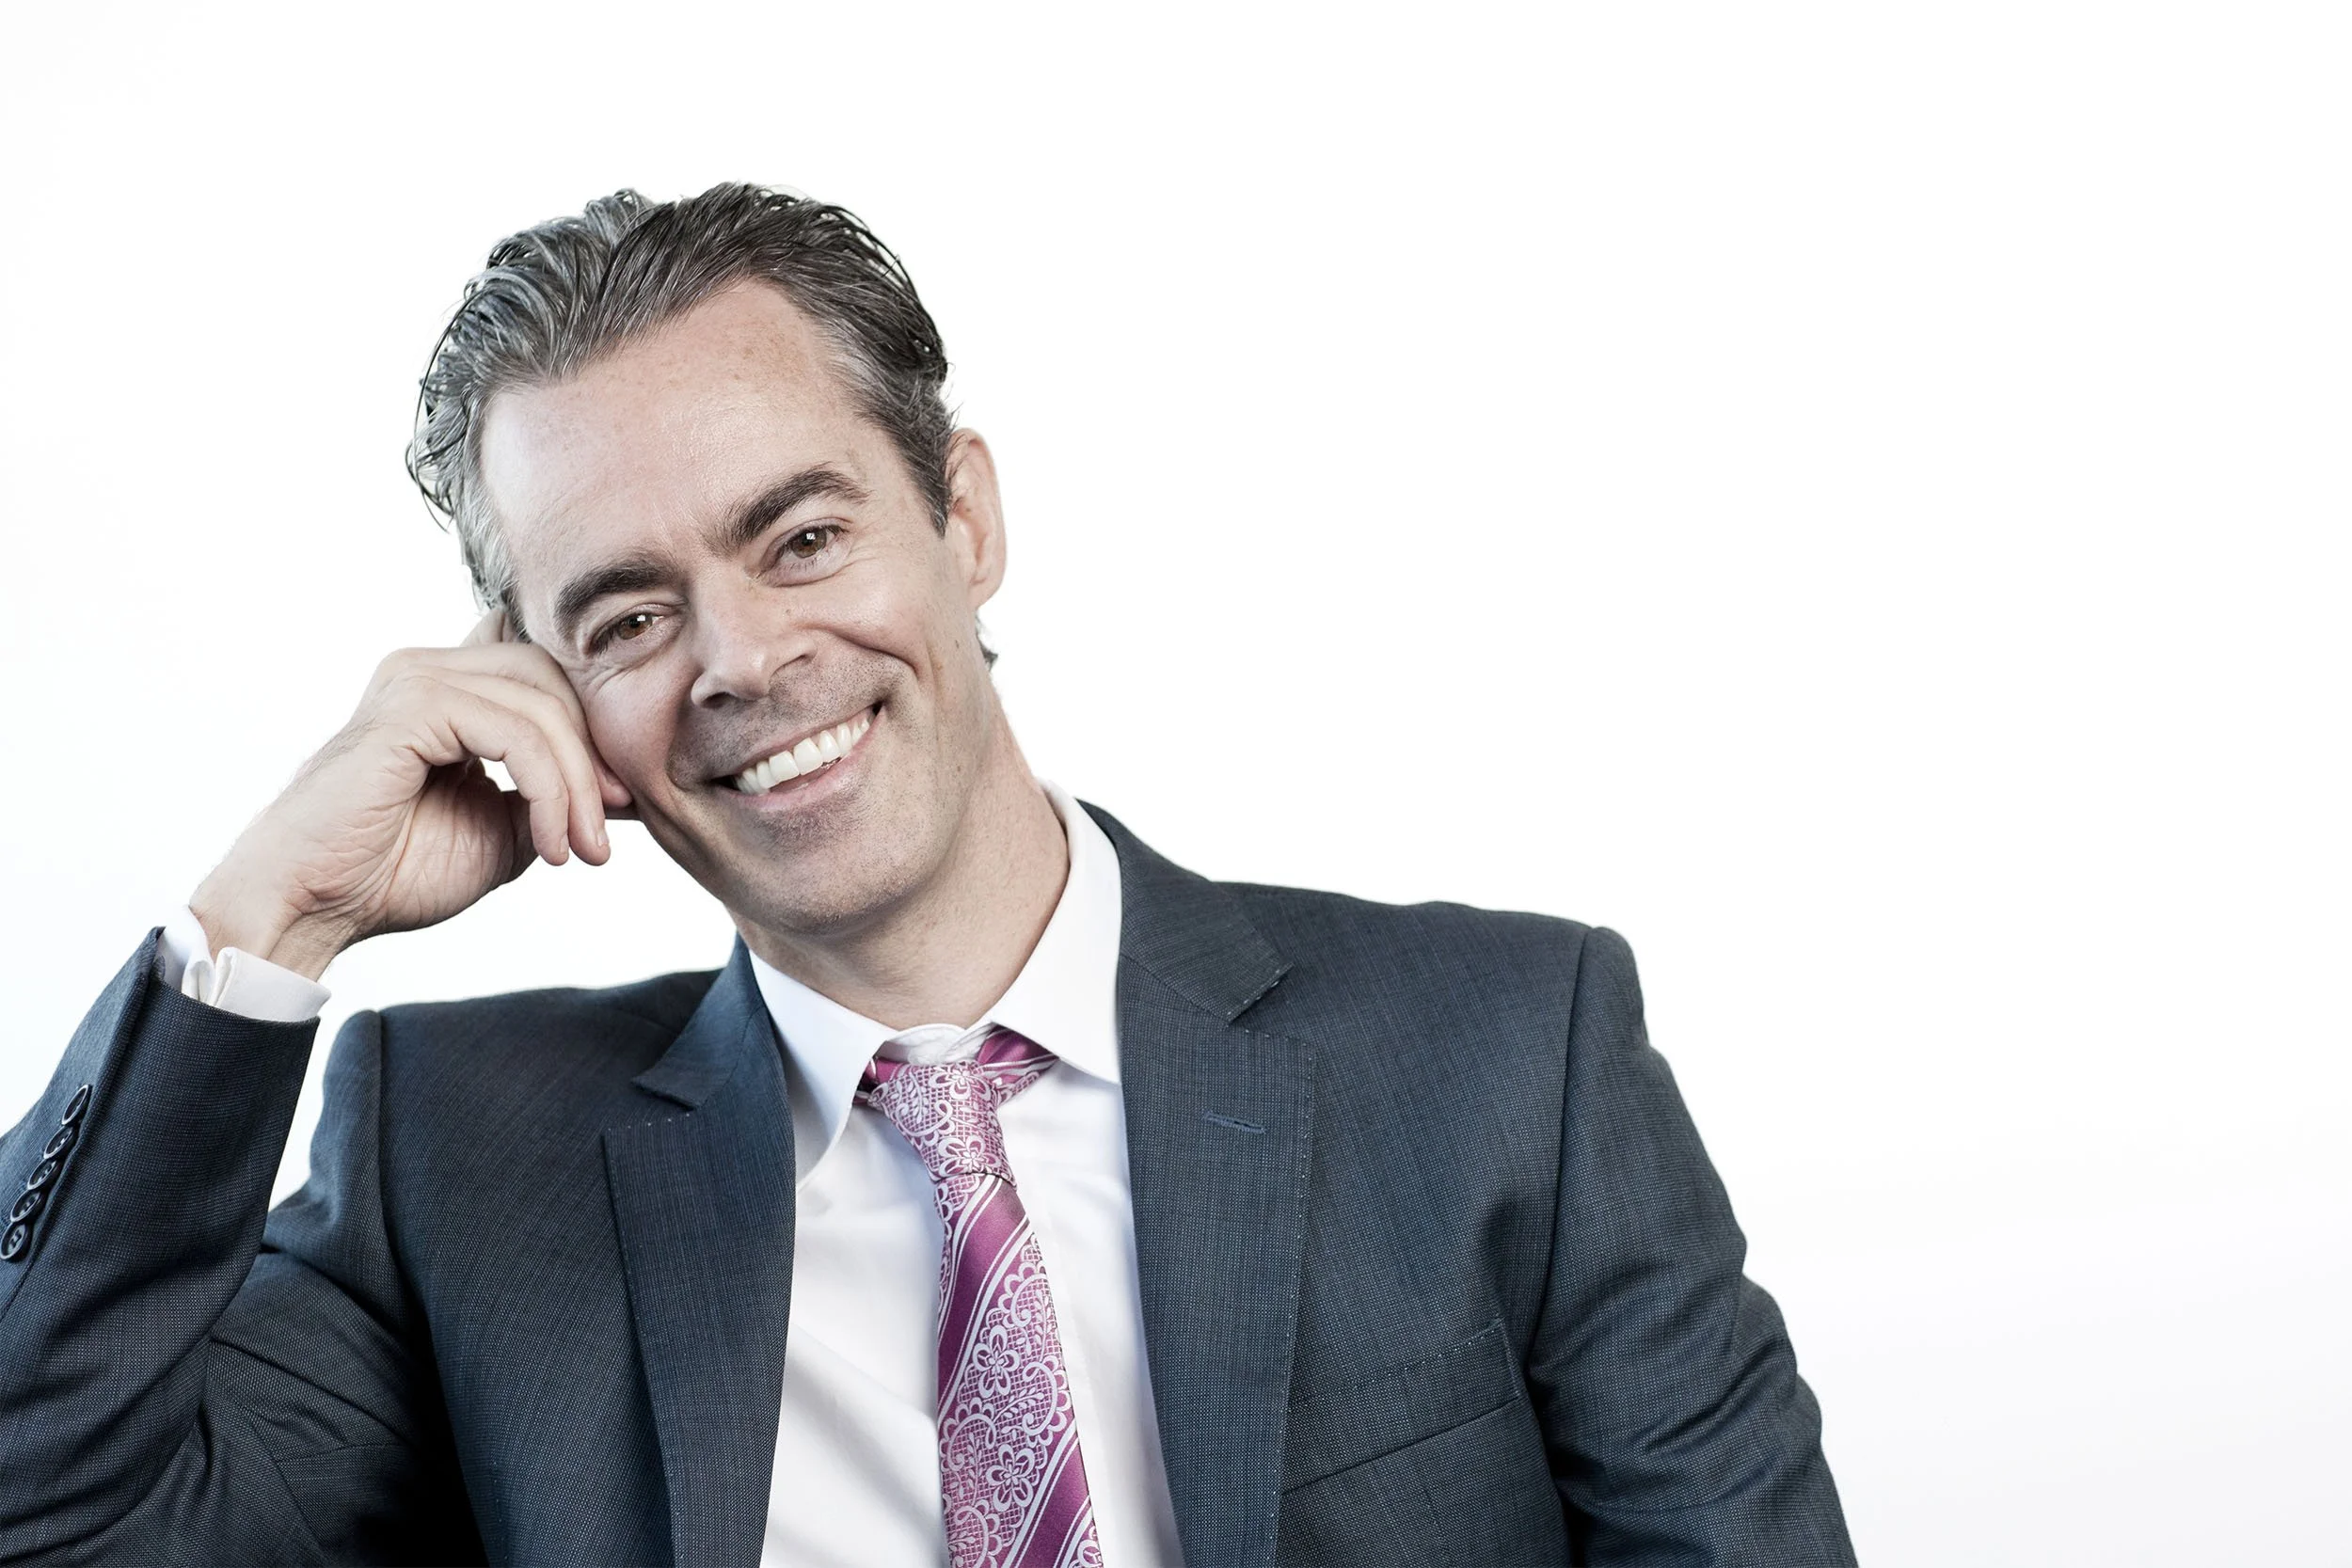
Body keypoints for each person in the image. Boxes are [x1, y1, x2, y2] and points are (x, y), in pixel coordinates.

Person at [0, 183, 1854, 1567]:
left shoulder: (1502, 1050)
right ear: (540, 685)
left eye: (800, 535)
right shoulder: (459, 1160)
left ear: (961, 515)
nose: (736, 658)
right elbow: (48, 1508)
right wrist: (266, 924)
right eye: (628, 611)